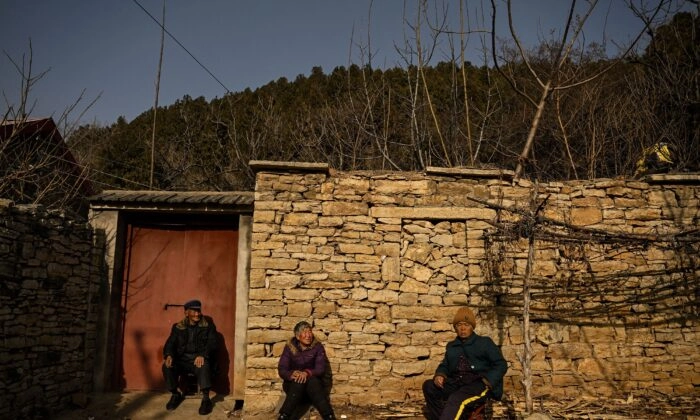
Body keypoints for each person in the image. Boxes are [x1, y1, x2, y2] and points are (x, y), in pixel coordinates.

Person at [423, 307, 508, 420]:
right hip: (457, 383)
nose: (463, 328)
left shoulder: (484, 343)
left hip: (479, 384)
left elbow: (501, 364)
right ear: (455, 328)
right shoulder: (452, 346)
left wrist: (488, 381)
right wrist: (440, 374)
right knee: (429, 386)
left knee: (456, 398)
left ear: (472, 327)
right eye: (459, 325)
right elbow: (445, 365)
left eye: (466, 325)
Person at [162, 299, 218, 415]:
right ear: (186, 313)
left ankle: (206, 400)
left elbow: (213, 343)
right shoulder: (178, 327)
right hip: (182, 360)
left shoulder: (208, 326)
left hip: (197, 360)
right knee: (167, 367)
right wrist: (169, 355)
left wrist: (203, 355)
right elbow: (170, 343)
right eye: (194, 311)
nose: (197, 314)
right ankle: (175, 394)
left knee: (203, 365)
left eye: (198, 311)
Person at [277, 321, 336, 420]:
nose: (308, 335)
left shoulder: (317, 347)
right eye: (304, 332)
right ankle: (284, 416)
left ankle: (329, 416)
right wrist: (291, 374)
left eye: (309, 332)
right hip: (293, 389)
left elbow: (320, 368)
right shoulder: (289, 347)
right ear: (297, 336)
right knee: (298, 380)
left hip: (313, 390)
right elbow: (282, 368)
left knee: (312, 380)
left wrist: (307, 373)